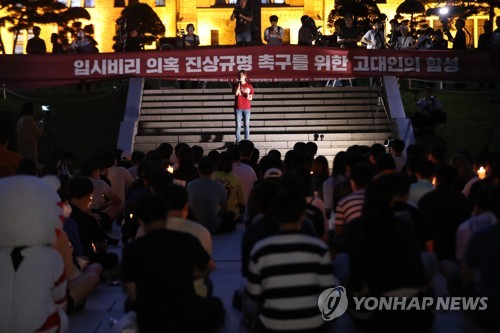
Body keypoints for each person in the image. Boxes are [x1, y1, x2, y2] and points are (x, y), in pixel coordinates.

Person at [121, 193, 225, 333]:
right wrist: (188, 275)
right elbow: (208, 267)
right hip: (186, 316)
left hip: (151, 320)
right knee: (216, 305)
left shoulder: (131, 249)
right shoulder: (187, 240)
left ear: (139, 219)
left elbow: (133, 293)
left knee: (129, 304)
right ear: (166, 214)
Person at [234, 70, 254, 143]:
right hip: (238, 107)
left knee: (246, 125)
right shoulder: (236, 84)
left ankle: (246, 140)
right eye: (239, 74)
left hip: (247, 108)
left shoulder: (249, 86)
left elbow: (251, 98)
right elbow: (236, 93)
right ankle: (238, 141)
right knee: (238, 125)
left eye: (242, 74)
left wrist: (248, 94)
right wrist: (239, 85)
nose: (240, 76)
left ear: (245, 76)